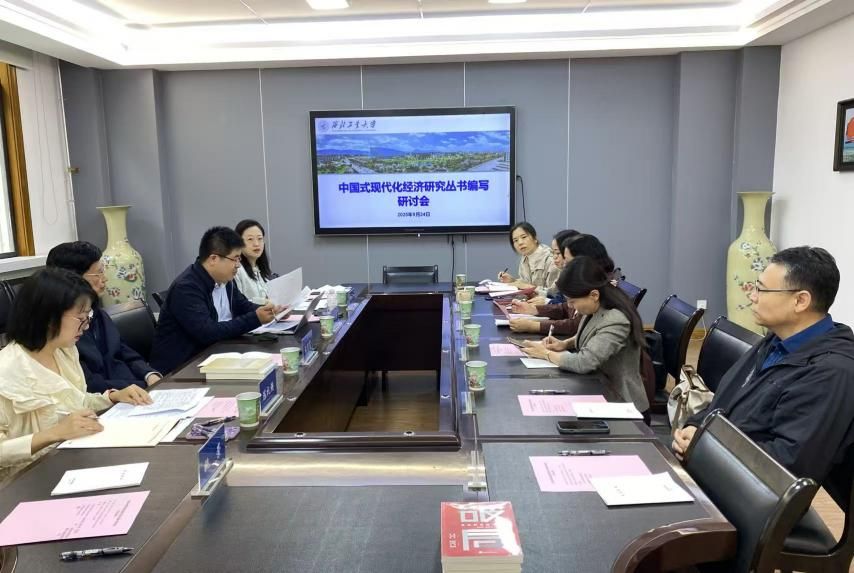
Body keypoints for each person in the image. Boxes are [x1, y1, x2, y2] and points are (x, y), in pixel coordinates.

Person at [672, 247, 854, 510]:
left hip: (754, 505)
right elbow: (724, 402)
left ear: (800, 301)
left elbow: (787, 464)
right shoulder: (776, 341)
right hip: (718, 473)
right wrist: (695, 426)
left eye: (761, 289)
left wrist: (704, 447)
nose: (752, 296)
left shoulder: (831, 372)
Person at [0, 269, 151, 486]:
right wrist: (54, 433)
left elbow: (77, 402)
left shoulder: (64, 351)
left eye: (88, 317)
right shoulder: (6, 370)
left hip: (71, 463)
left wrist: (112, 397)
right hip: (26, 482)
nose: (86, 326)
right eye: (81, 318)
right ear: (48, 317)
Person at [521, 256, 650, 417]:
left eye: (573, 301)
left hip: (623, 405)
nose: (570, 306)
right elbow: (593, 335)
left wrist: (546, 354)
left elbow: (584, 362)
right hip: (599, 387)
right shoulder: (596, 307)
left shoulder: (615, 319)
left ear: (594, 295)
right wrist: (565, 344)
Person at [150, 227, 284, 374]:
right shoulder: (187, 288)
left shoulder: (225, 280)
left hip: (216, 354)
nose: (238, 265)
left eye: (239, 259)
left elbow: (243, 306)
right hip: (182, 368)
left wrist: (270, 311)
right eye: (235, 259)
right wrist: (256, 318)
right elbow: (208, 332)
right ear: (213, 259)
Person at [46, 241, 161, 393]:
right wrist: (141, 387)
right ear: (74, 278)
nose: (105, 278)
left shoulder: (97, 312)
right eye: (98, 273)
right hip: (112, 397)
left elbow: (123, 351)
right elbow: (89, 385)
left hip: (133, 391)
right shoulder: (62, 330)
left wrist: (149, 375)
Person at [510, 233, 617, 336]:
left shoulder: (600, 284)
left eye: (568, 260)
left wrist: (534, 326)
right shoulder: (588, 277)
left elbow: (577, 325)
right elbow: (567, 308)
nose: (564, 264)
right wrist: (533, 309)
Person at [497, 222, 559, 297]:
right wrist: (513, 281)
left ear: (535, 238)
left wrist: (529, 287)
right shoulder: (525, 258)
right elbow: (525, 283)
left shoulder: (551, 260)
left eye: (524, 237)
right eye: (515, 240)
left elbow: (554, 294)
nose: (520, 243)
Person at [234, 219, 275, 305]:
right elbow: (238, 303)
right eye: (250, 239)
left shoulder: (260, 269)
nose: (256, 244)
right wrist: (265, 302)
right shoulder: (236, 269)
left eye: (260, 239)